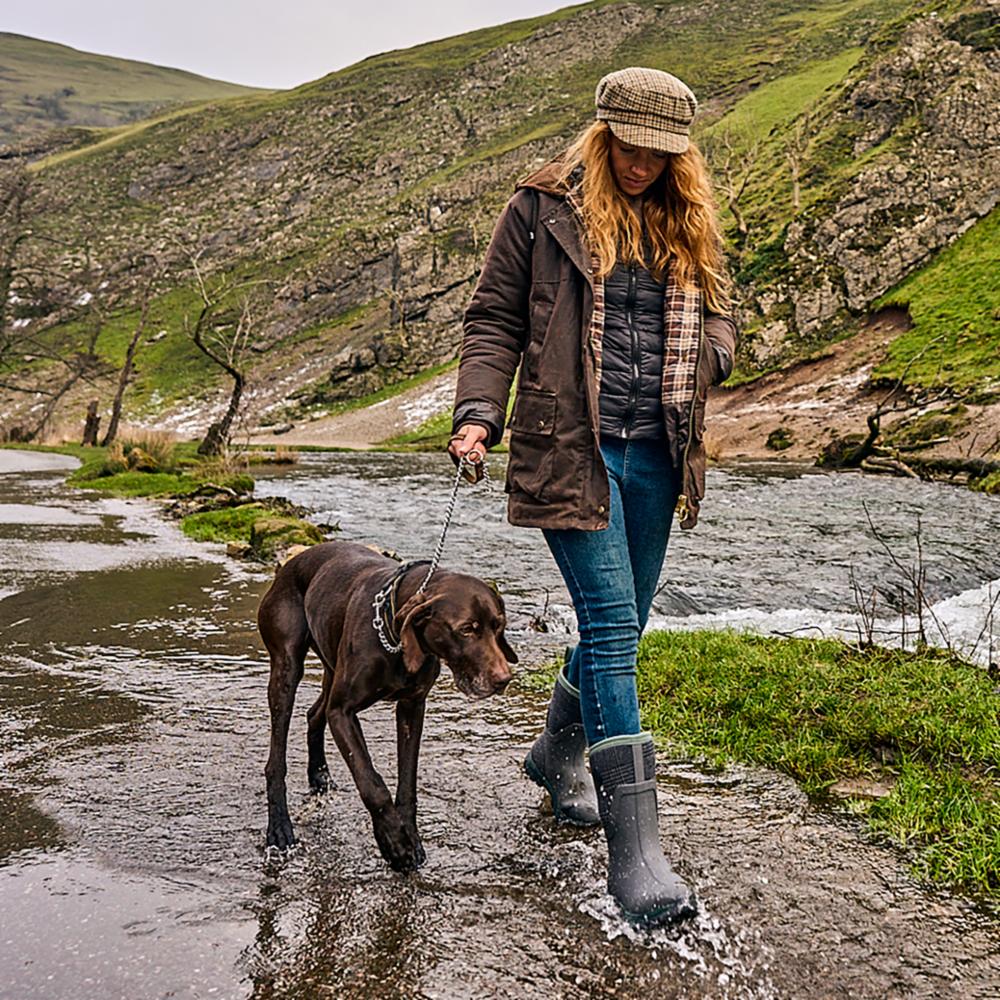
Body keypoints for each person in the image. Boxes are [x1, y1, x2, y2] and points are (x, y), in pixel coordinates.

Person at [448, 67, 737, 927]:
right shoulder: (543, 207)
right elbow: (493, 319)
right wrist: (476, 417)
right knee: (612, 624)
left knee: (627, 622)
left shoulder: (691, 219)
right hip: (569, 446)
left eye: (659, 152)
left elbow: (723, 315)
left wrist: (709, 358)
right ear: (602, 133)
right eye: (628, 146)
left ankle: (552, 756)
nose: (641, 163)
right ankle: (637, 856)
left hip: (658, 450)